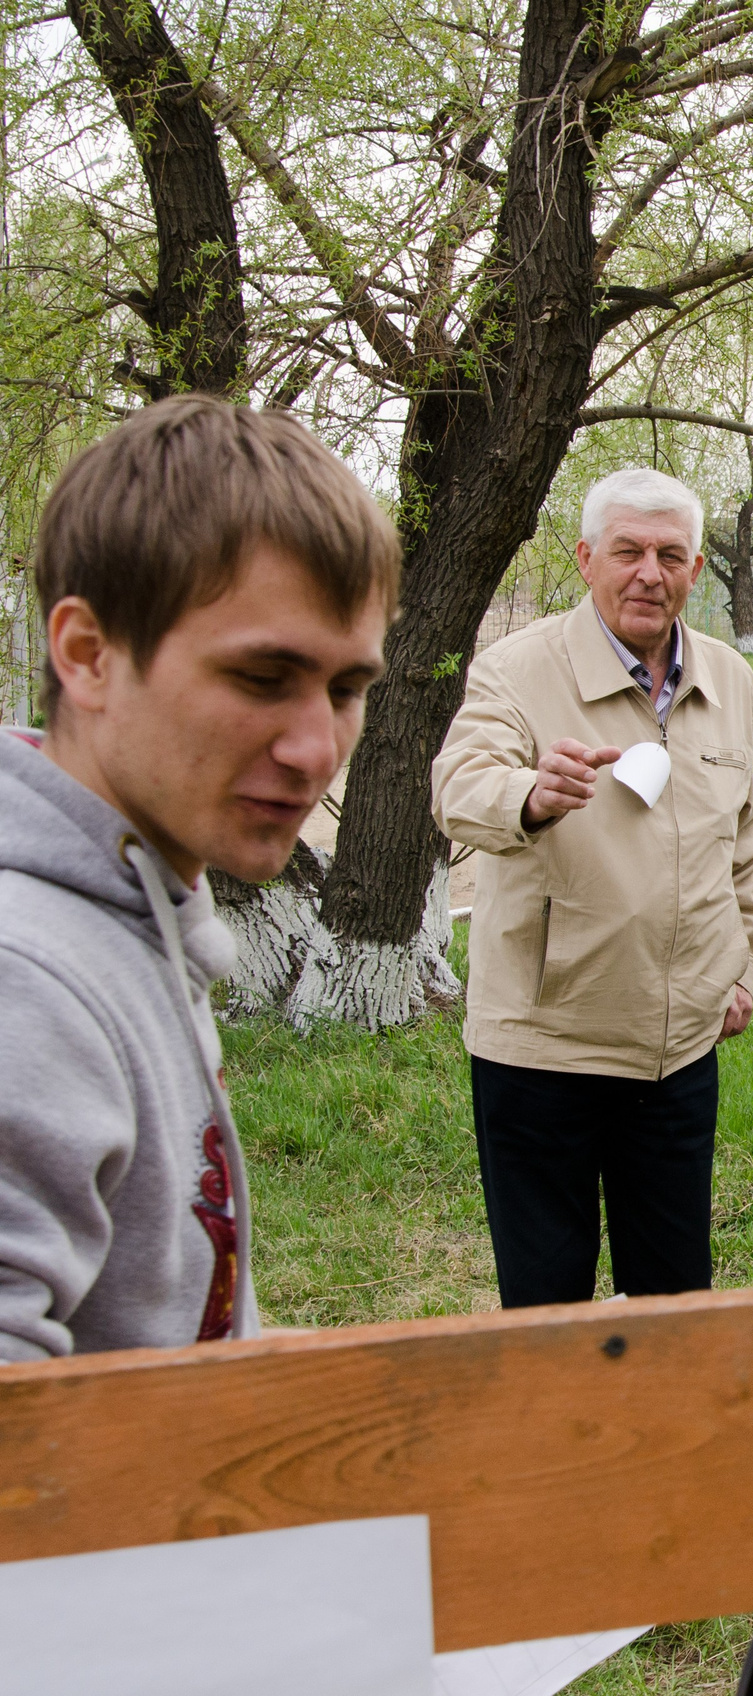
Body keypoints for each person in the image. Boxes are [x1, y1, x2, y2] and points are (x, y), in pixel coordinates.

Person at [1, 395, 396, 1360]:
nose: (316, 749)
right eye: (263, 678)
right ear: (88, 656)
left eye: (347, 690)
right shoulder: (25, 979)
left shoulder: (135, 903)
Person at [431, 468, 753, 1308]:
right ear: (586, 559)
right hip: (545, 1045)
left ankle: (659, 1441)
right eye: (627, 551)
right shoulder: (518, 670)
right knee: (547, 1302)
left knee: (673, 1299)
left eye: (670, 554)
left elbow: (746, 845)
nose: (648, 573)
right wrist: (530, 795)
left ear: (696, 568)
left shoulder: (730, 682)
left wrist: (741, 969)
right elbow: (457, 787)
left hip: (677, 1050)